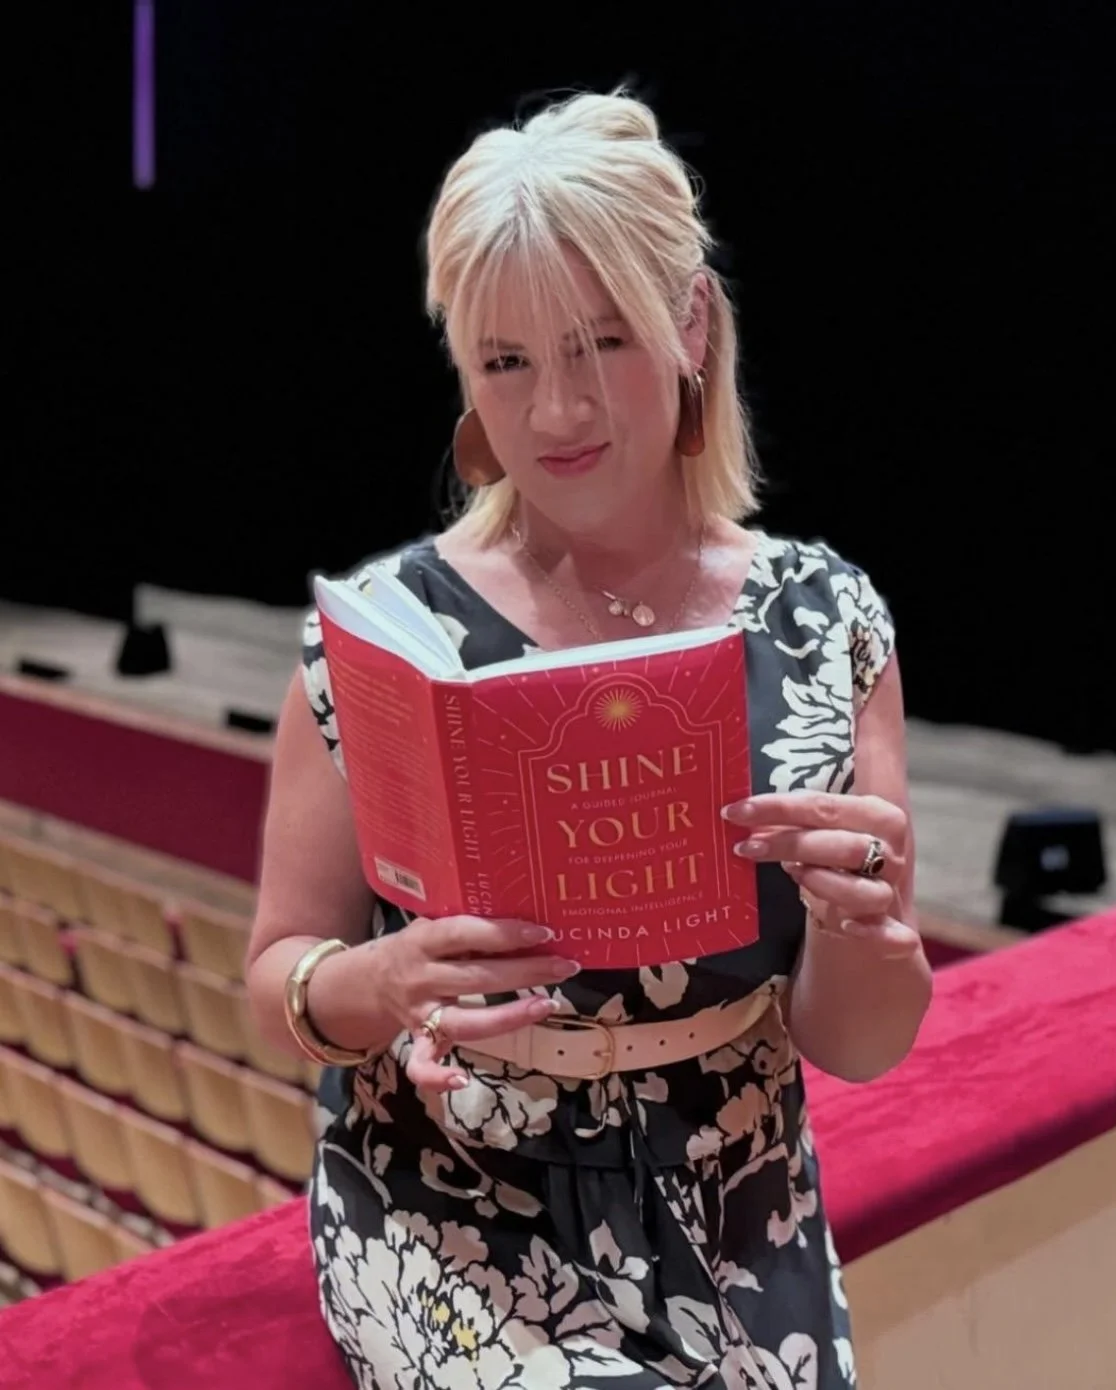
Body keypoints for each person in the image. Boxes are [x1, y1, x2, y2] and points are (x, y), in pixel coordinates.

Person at [245, 89, 932, 1390]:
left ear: (688, 323)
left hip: (738, 1200)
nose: (554, 410)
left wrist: (860, 924)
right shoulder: (385, 637)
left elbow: (861, 1039)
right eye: (505, 361)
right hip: (450, 1204)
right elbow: (280, 970)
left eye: (599, 342)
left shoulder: (824, 617)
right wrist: (385, 988)